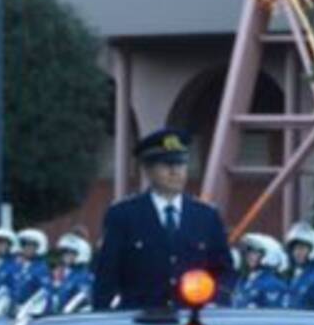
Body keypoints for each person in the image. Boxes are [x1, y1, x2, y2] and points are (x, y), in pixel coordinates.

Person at [92, 127, 233, 310]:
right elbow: (106, 276)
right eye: (167, 165)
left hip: (192, 318)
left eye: (181, 164)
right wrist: (102, 318)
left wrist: (216, 301)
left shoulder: (206, 216)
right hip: (140, 319)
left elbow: (224, 270)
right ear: (148, 170)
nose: (175, 172)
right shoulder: (123, 215)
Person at [284, 222, 314, 311]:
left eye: (302, 248)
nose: (297, 252)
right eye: (294, 248)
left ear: (313, 250)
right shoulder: (295, 276)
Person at [232, 233, 288, 309]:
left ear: (269, 255)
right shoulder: (243, 281)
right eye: (248, 252)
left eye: (255, 252)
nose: (249, 256)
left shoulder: (272, 285)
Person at [48, 233, 94, 314]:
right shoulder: (60, 272)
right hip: (55, 315)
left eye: (71, 253)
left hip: (72, 317)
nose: (66, 256)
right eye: (64, 252)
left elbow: (81, 300)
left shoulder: (84, 277)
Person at [13, 228, 52, 306]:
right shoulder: (18, 266)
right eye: (24, 244)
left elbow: (45, 295)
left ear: (38, 247)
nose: (27, 248)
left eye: (31, 245)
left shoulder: (41, 268)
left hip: (31, 309)